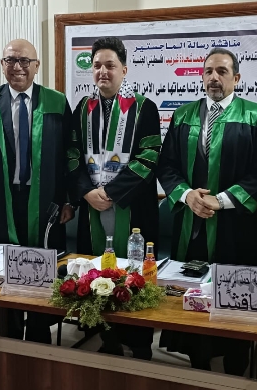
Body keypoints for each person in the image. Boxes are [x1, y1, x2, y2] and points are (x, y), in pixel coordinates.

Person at [157, 48, 257, 374]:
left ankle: (237, 371)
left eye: (222, 71)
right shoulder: (183, 115)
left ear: (236, 77)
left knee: (236, 301)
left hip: (235, 228)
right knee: (193, 299)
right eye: (208, 71)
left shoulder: (256, 116)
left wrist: (220, 200)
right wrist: (187, 196)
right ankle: (199, 368)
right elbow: (166, 165)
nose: (214, 77)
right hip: (191, 226)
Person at [0, 39, 74, 344]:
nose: (17, 67)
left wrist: (68, 200)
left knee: (42, 268)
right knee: (1, 268)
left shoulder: (56, 102)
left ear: (37, 66)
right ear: (2, 65)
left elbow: (69, 155)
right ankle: (5, 339)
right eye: (10, 60)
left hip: (46, 202)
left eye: (25, 61)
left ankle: (39, 337)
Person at [67, 37, 161, 360]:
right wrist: (87, 192)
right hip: (92, 206)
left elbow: (149, 156)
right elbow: (72, 155)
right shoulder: (83, 109)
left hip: (133, 208)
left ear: (124, 69)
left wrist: (111, 192)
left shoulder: (144, 108)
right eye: (97, 66)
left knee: (134, 272)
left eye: (110, 65)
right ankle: (106, 338)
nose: (102, 71)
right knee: (95, 271)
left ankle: (140, 345)